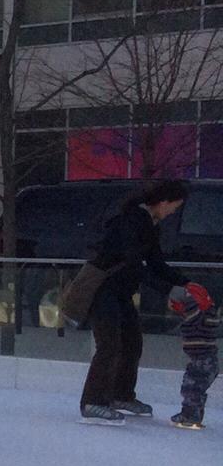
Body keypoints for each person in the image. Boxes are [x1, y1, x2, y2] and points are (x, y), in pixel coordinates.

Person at [79, 179, 192, 424]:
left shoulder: (150, 225)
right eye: (174, 206)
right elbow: (133, 264)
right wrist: (168, 289)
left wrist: (185, 283)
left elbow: (156, 264)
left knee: (132, 343)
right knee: (109, 345)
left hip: (120, 291)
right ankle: (92, 401)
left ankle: (121, 394)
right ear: (163, 202)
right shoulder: (131, 221)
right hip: (104, 289)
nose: (174, 212)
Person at [169, 281, 216, 430]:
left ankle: (190, 415)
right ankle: (195, 414)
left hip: (202, 361)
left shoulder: (198, 318)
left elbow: (192, 310)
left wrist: (185, 296)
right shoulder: (207, 316)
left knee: (191, 388)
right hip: (204, 360)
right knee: (197, 389)